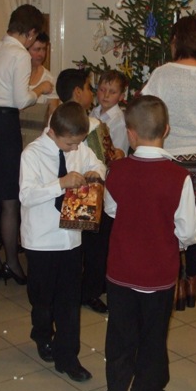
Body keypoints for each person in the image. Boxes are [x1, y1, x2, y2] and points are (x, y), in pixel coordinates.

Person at [98, 96, 196, 391]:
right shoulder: (179, 177)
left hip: (121, 271)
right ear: (166, 130)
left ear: (130, 133)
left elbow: (111, 210)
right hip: (159, 274)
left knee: (120, 334)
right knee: (154, 335)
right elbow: (188, 231)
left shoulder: (117, 170)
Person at [142, 15, 196, 309]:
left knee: (168, 220)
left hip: (169, 157)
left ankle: (172, 282)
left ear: (176, 41)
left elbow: (146, 110)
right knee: (195, 221)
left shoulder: (162, 74)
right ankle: (190, 283)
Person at [19, 101, 106, 381]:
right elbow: (26, 195)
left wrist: (95, 173)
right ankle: (42, 333)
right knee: (42, 298)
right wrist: (60, 184)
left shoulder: (79, 148)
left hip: (70, 239)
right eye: (70, 143)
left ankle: (68, 357)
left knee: (68, 302)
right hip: (41, 240)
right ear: (53, 132)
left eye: (78, 143)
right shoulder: (32, 154)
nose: (74, 148)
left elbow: (99, 163)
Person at [0, 4, 45, 286]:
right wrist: (40, 90)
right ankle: (12, 263)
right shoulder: (20, 55)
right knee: (11, 200)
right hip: (3, 126)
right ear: (31, 32)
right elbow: (21, 99)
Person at [56, 68, 123, 314]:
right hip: (86, 194)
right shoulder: (92, 123)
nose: (96, 94)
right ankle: (88, 290)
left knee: (82, 244)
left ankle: (80, 288)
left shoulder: (57, 119)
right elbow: (104, 158)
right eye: (90, 88)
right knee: (93, 245)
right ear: (78, 92)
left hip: (73, 191)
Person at [21, 32, 61, 147]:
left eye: (44, 49)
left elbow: (53, 114)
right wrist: (40, 89)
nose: (41, 54)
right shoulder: (18, 74)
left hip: (37, 140)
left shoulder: (49, 78)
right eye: (37, 49)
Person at [91, 69, 130, 156]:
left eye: (112, 92)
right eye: (102, 90)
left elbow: (119, 153)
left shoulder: (121, 122)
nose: (106, 95)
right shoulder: (94, 112)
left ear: (121, 97)